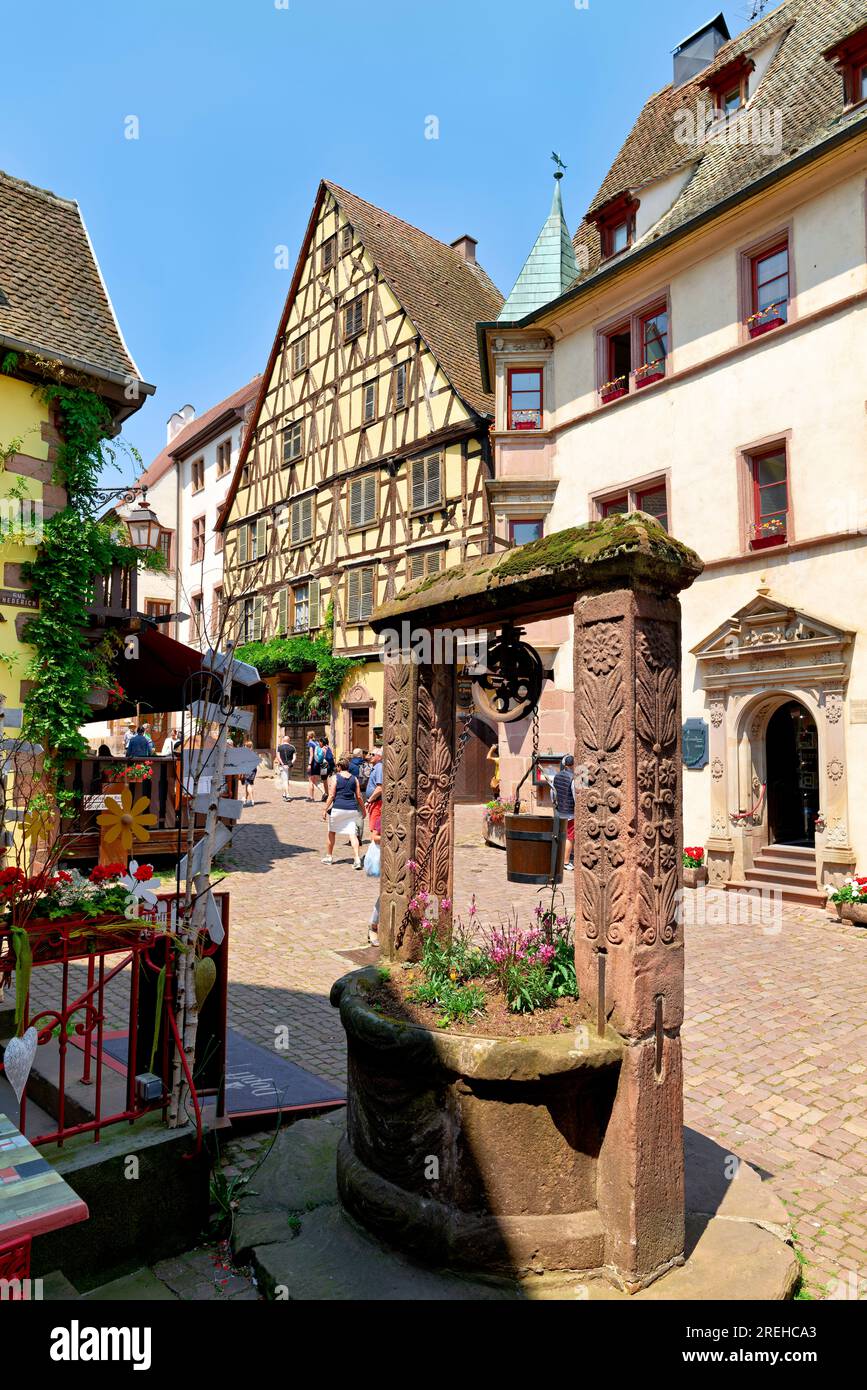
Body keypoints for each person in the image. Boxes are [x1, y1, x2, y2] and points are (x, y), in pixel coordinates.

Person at [322, 755, 365, 868]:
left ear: (340, 767)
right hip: (351, 809)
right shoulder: (354, 778)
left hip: (338, 808)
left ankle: (329, 856)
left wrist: (325, 809)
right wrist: (364, 810)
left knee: (332, 832)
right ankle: (357, 859)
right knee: (352, 834)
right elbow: (359, 796)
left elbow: (331, 795)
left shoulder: (335, 778)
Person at [552, 753, 576, 872]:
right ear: (573, 765)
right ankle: (566, 862)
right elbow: (576, 797)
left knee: (561, 835)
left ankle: (559, 859)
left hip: (560, 811)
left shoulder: (556, 776)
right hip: (571, 813)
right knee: (570, 837)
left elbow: (553, 794)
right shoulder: (574, 778)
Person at [276, 729, 297, 801]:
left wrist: (282, 763)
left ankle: (288, 795)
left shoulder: (279, 747)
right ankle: (285, 793)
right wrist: (290, 763)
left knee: (284, 780)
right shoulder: (292, 747)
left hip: (283, 766)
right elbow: (294, 758)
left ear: (283, 740)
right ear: (289, 740)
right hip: (289, 766)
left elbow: (278, 757)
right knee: (286, 779)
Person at [240, 739, 258, 806]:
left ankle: (252, 800)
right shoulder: (254, 753)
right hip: (253, 770)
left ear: (247, 746)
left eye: (245, 745)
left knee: (249, 785)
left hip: (248, 770)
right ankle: (246, 798)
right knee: (247, 784)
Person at [306, 732, 321, 801]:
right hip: (317, 763)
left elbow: (311, 755)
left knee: (311, 781)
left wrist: (309, 764)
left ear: (309, 736)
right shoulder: (317, 743)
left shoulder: (310, 743)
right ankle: (324, 793)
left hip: (313, 764)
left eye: (307, 735)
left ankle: (311, 797)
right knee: (315, 781)